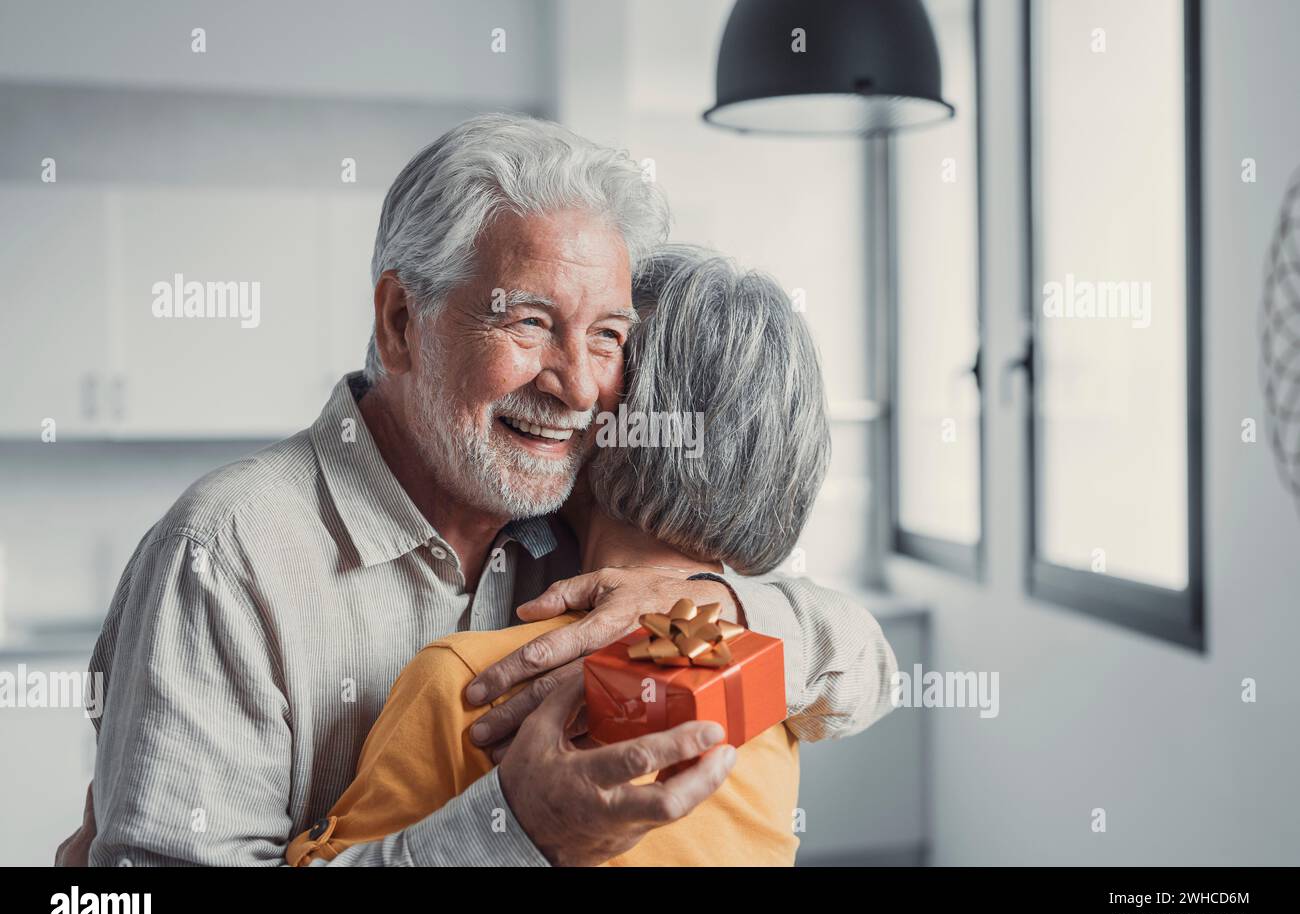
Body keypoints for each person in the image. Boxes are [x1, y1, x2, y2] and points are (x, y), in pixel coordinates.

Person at [61, 114, 897, 867]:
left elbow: (868, 671)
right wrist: (512, 835)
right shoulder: (225, 556)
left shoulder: (578, 530)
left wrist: (724, 603)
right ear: (400, 321)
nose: (578, 388)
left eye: (607, 334)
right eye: (529, 321)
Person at [288, 247, 887, 866]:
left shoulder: (466, 684)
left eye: (604, 341)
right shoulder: (774, 684)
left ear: (610, 423)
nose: (567, 383)